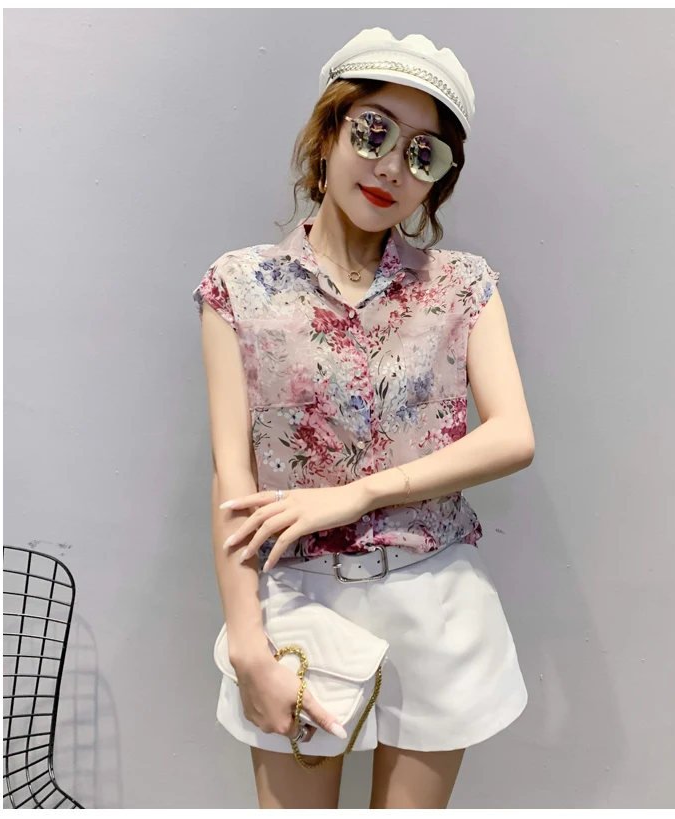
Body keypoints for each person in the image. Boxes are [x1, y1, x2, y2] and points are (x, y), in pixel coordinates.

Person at [193, 26, 535, 810]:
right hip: (299, 605)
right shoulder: (238, 286)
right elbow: (232, 474)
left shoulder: (463, 286)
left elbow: (513, 434)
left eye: (424, 155)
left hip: (436, 599)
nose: (390, 168)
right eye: (373, 132)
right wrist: (246, 642)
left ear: (438, 181)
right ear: (328, 133)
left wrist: (357, 493)